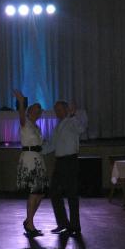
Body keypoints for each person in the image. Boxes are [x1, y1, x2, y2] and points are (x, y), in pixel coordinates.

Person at [43, 100, 87, 236]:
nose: (57, 112)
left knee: (71, 194)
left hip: (70, 161)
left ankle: (75, 226)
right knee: (54, 192)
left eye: (59, 109)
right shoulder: (58, 125)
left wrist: (73, 116)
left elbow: (81, 129)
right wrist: (36, 150)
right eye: (56, 110)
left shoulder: (72, 121)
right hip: (60, 162)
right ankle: (63, 224)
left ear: (67, 110)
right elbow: (52, 145)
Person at [13, 89, 47, 237]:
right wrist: (21, 102)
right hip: (29, 159)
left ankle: (28, 220)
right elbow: (21, 114)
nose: (37, 112)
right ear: (29, 111)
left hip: (38, 159)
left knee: (40, 193)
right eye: (35, 109)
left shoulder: (37, 127)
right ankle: (30, 224)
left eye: (39, 111)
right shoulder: (25, 122)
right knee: (34, 192)